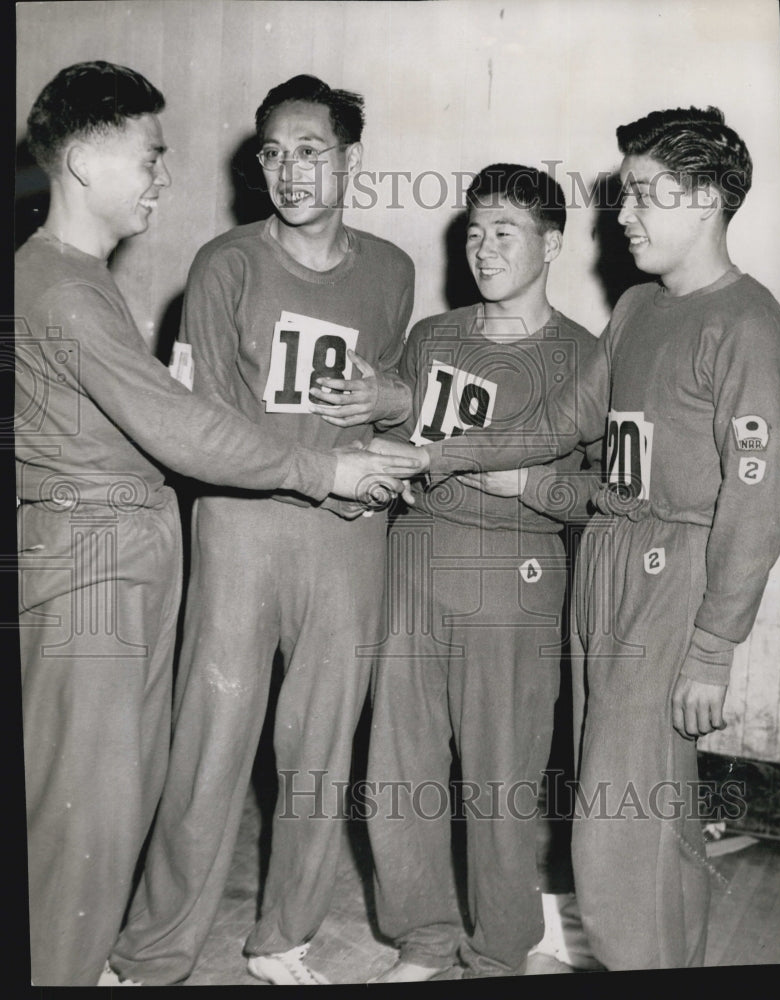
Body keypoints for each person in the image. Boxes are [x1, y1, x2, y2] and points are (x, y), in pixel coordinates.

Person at [15, 62, 416, 988]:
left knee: (239, 763)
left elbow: (389, 394)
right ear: (83, 161)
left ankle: (280, 936)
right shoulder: (192, 268)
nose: (163, 176)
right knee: (147, 777)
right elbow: (192, 419)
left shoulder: (389, 272)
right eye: (271, 152)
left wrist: (387, 411)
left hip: (291, 530)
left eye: (310, 151)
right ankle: (140, 953)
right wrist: (322, 469)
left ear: (349, 160)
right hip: (198, 531)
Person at [374, 106, 780, 970]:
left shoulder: (746, 322)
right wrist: (443, 451)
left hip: (671, 569)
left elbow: (759, 506)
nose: (626, 214)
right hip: (602, 558)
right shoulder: (638, 308)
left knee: (612, 823)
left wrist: (712, 647)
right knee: (640, 812)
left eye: (642, 194)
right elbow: (560, 419)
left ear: (707, 198)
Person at [365, 164, 601, 981]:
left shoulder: (586, 355)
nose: (483, 247)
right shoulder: (433, 336)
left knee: (501, 774)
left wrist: (533, 485)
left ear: (552, 243)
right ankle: (421, 937)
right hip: (417, 553)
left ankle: (499, 950)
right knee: (400, 762)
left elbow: (608, 493)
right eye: (472, 230)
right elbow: (399, 435)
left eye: (504, 231)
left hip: (517, 572)